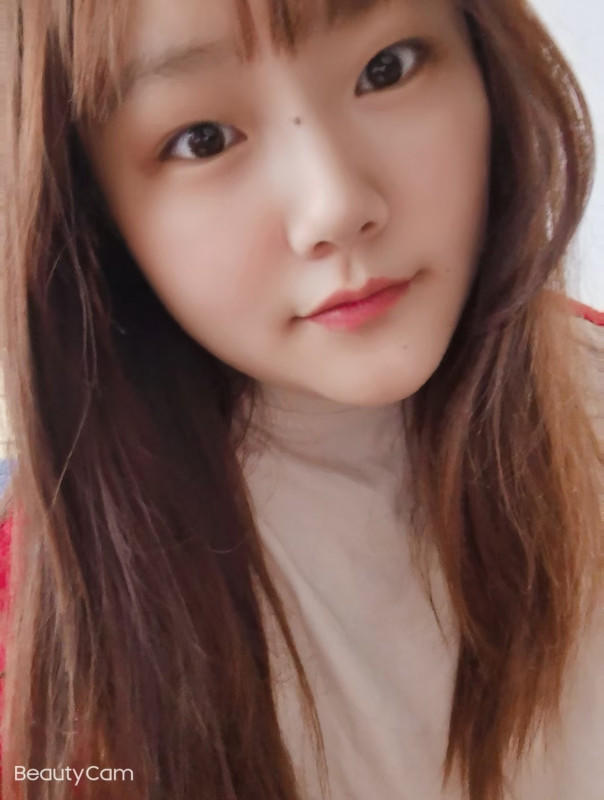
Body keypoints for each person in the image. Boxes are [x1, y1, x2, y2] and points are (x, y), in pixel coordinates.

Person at [0, 0, 602, 798]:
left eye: (385, 69)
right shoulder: (47, 662)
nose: (336, 206)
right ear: (93, 213)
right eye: (203, 140)